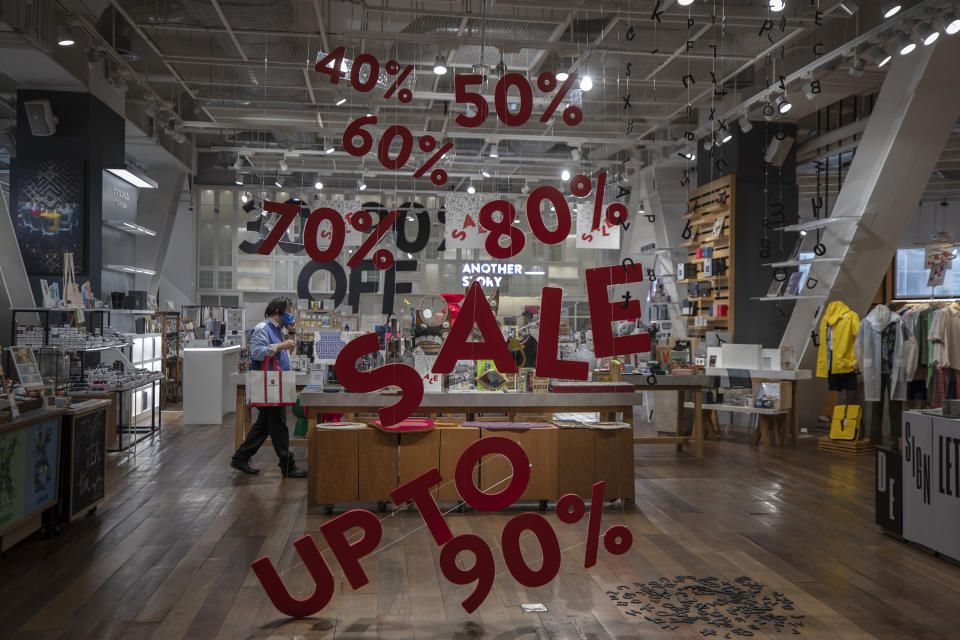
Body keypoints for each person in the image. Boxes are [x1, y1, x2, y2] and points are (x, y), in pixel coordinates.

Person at [231, 297, 307, 478]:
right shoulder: (262, 329)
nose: (290, 314)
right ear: (277, 311)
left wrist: (290, 334)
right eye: (288, 311)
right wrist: (281, 345)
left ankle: (241, 457)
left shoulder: (278, 330)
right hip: (269, 384)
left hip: (276, 383)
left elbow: (284, 352)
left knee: (264, 425)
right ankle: (288, 465)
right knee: (278, 425)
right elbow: (256, 353)